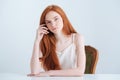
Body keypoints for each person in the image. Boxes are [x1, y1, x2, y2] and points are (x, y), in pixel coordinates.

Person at [27, 5, 86, 77]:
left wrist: (50, 72)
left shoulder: (77, 38)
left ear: (63, 18)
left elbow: (80, 71)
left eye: (56, 19)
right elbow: (34, 71)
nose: (53, 24)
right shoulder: (45, 42)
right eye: (48, 22)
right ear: (45, 26)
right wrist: (37, 41)